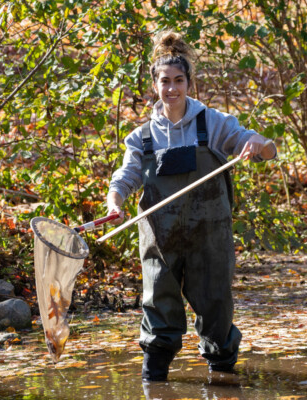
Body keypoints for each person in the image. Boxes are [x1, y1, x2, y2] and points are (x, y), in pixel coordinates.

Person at [107, 30, 277, 382]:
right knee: (159, 312)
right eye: (165, 81)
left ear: (189, 82)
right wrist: (114, 203)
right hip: (160, 241)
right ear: (155, 85)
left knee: (216, 311)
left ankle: (223, 379)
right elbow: (124, 178)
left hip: (209, 237)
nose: (172, 89)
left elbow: (260, 145)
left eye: (179, 81)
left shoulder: (212, 123)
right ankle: (154, 382)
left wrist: (260, 145)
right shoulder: (142, 137)